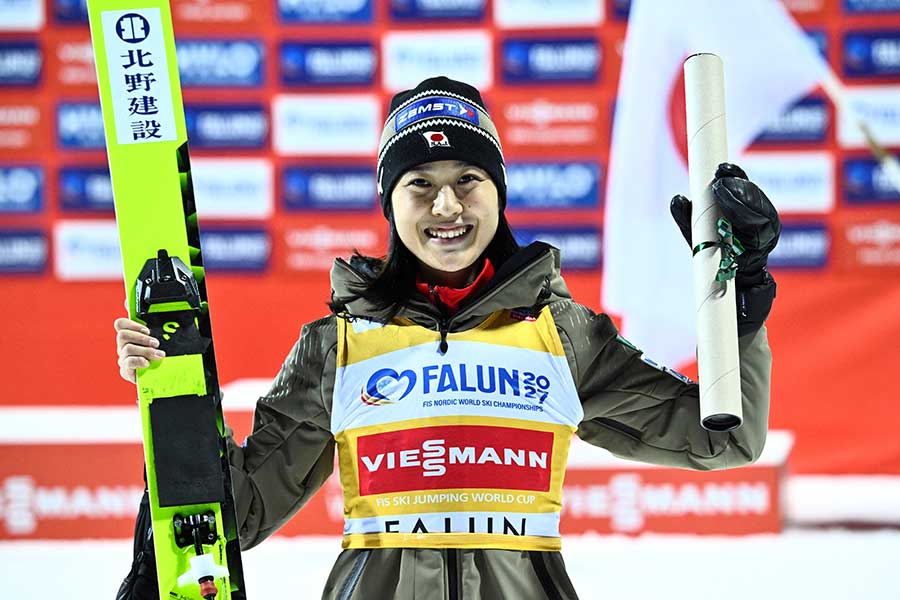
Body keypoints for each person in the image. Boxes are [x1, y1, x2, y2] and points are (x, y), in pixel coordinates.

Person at [114, 76, 779, 600]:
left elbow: (724, 438)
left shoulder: (560, 334)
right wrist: (179, 397)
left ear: (499, 191)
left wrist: (741, 298)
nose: (447, 207)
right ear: (390, 202)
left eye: (468, 180)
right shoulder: (337, 344)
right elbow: (241, 517)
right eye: (420, 186)